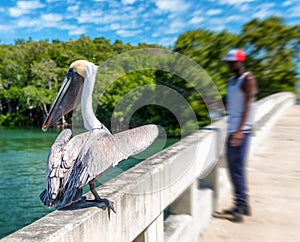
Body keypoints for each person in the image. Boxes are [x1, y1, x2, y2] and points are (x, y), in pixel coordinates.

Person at [222, 49, 257, 222]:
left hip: (241, 131)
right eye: (228, 62)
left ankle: (240, 206)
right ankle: (243, 204)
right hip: (232, 129)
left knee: (237, 169)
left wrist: (240, 131)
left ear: (240, 62)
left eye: (231, 62)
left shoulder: (247, 80)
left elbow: (247, 106)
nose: (229, 65)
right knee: (233, 169)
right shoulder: (231, 81)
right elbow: (231, 104)